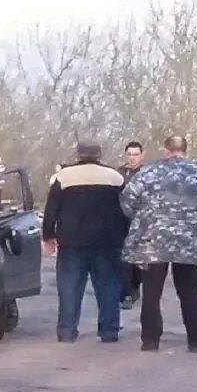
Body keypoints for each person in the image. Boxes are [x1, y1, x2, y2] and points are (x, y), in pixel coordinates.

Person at [121, 136, 197, 353]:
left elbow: (127, 199)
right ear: (184, 150)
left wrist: (142, 218)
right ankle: (196, 341)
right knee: (190, 291)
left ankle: (150, 341)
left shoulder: (149, 173)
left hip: (152, 240)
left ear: (166, 151)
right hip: (190, 241)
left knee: (151, 291)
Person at [42, 142, 126, 343]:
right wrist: (124, 234)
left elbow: (51, 209)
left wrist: (48, 236)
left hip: (72, 241)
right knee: (108, 286)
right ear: (99, 155)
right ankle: (109, 331)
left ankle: (66, 331)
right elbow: (127, 209)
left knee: (69, 286)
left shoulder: (64, 177)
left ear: (78, 155)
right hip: (107, 240)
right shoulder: (115, 177)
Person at [118, 141, 145, 310]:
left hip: (142, 221)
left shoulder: (147, 174)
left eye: (136, 155)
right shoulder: (118, 174)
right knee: (124, 259)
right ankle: (127, 293)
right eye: (130, 154)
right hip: (122, 221)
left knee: (139, 260)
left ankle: (136, 287)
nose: (132, 158)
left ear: (141, 156)